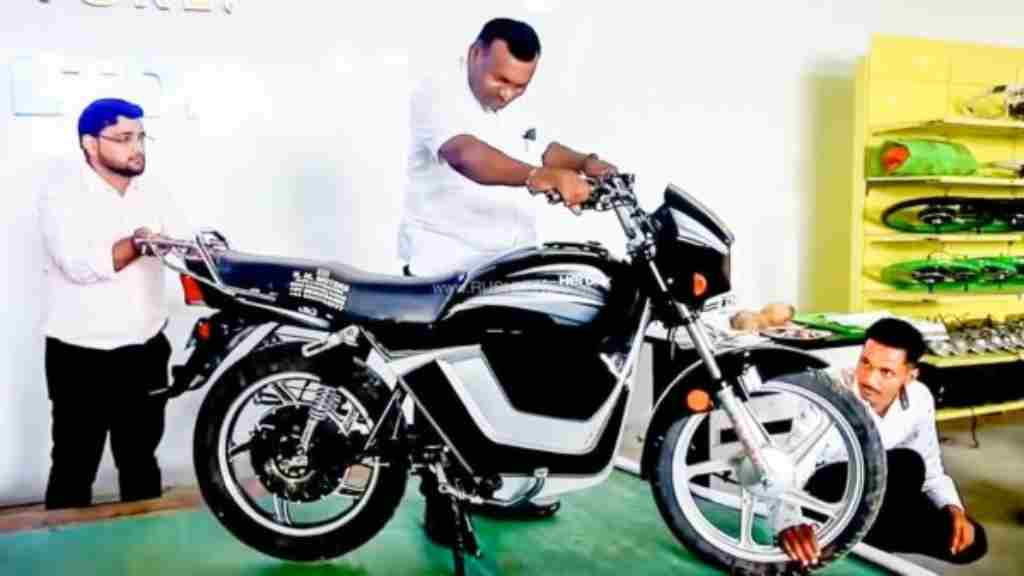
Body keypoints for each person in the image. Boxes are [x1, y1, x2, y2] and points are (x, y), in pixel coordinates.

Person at [396, 17, 619, 544]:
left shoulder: (514, 102)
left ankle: (500, 488)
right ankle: (442, 502)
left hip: (505, 265)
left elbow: (543, 149)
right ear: (476, 52)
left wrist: (587, 163)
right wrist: (538, 178)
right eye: (501, 80)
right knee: (442, 386)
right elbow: (465, 154)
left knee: (506, 378)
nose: (509, 93)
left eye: (521, 84)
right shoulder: (438, 92)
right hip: (444, 263)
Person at [38, 97, 185, 509]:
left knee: (141, 463)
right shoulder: (61, 196)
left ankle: (147, 548)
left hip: (145, 349)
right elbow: (79, 265)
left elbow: (180, 246)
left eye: (140, 137)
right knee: (73, 465)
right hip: (80, 356)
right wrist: (137, 243)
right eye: (123, 138)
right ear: (90, 143)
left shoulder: (155, 192)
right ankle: (61, 549)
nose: (136, 147)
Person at [774, 318, 987, 568]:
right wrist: (789, 523)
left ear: (910, 376)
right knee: (907, 464)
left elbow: (931, 469)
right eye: (865, 363)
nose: (869, 379)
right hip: (828, 494)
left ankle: (858, 539)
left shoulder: (920, 398)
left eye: (886, 372)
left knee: (972, 541)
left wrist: (954, 509)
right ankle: (850, 537)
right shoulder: (827, 391)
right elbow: (792, 468)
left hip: (885, 498)